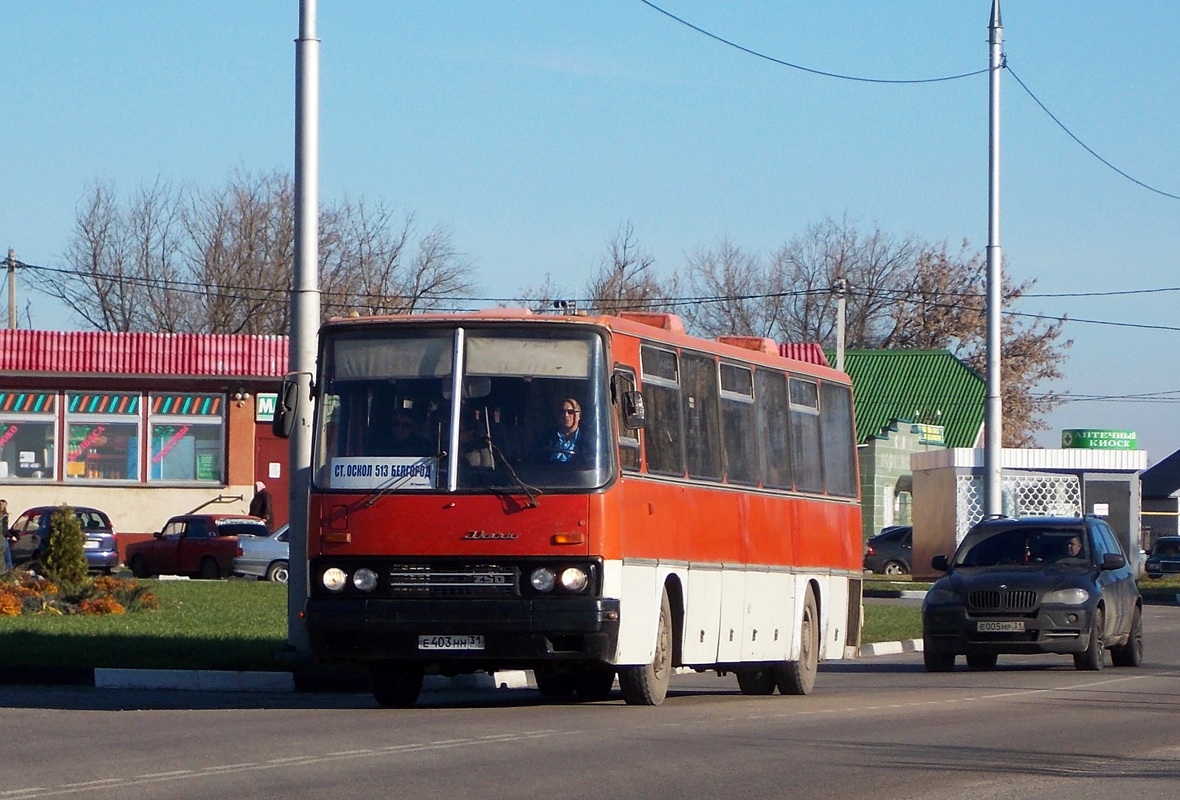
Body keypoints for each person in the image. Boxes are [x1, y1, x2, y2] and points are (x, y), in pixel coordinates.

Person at [548, 398, 583, 463]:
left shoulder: (587, 441)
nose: (566, 415)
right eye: (562, 412)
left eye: (570, 412)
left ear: (579, 416)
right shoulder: (547, 438)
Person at [1, 498, 11, 570]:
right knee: (8, 557)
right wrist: (10, 536)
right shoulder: (4, 516)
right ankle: (10, 572)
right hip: (2, 538)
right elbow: (4, 529)